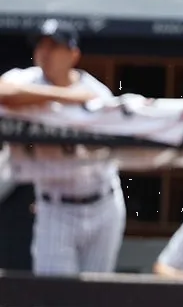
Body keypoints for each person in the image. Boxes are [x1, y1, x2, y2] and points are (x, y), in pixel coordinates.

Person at [0, 20, 125, 277]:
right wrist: (60, 96)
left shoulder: (94, 89)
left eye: (54, 46)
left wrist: (42, 100)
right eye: (41, 45)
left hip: (102, 201)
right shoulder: (26, 79)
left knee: (96, 293)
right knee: (55, 292)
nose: (45, 52)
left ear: (73, 54)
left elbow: (97, 101)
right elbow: (3, 91)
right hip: (55, 206)